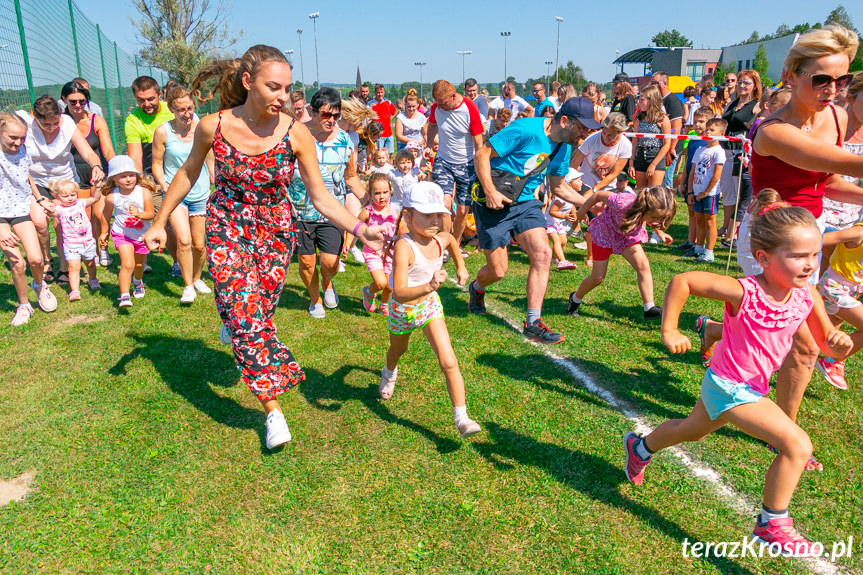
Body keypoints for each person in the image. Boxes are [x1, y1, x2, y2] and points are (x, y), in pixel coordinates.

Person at [143, 45, 385, 450]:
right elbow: (186, 175)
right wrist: (159, 220)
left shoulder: (295, 133)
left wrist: (361, 229)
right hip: (227, 225)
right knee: (250, 323)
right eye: (274, 87)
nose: (283, 96)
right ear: (247, 82)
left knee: (256, 313)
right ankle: (273, 410)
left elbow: (322, 198)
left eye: (287, 88)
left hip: (275, 231)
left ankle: (233, 316)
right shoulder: (212, 126)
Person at [624, 191, 851, 556]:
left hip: (750, 388)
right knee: (797, 445)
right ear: (763, 257)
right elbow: (683, 280)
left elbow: (826, 344)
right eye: (797, 256)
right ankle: (772, 522)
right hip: (730, 386)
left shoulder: (806, 294)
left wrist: (838, 345)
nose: (809, 265)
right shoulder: (744, 291)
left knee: (689, 431)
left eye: (813, 255)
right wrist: (670, 329)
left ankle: (640, 446)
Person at [701, 24, 863, 471]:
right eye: (822, 79)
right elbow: (837, 162)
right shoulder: (771, 130)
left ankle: (718, 329)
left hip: (808, 230)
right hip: (771, 236)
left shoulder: (834, 117)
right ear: (791, 75)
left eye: (843, 79)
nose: (833, 90)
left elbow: (826, 181)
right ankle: (786, 435)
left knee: (782, 331)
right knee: (806, 346)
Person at [469, 97, 600, 343]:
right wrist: (489, 191)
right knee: (498, 271)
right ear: (564, 121)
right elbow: (482, 155)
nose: (585, 134)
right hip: (495, 200)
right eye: (582, 127)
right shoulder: (525, 129)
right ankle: (477, 287)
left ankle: (533, 322)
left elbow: (558, 187)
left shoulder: (564, 147)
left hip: (527, 202)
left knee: (543, 253)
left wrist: (591, 203)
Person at [379, 181, 481, 438]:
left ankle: (462, 417)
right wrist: (429, 285)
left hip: (428, 307)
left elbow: (451, 241)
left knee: (448, 360)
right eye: (427, 215)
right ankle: (389, 372)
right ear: (408, 215)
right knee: (397, 350)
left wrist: (461, 267)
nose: (434, 221)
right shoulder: (405, 247)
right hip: (402, 311)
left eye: (438, 214)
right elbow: (400, 293)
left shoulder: (440, 238)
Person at [288, 88, 368, 318]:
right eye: (326, 115)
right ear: (312, 112)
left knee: (331, 262)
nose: (332, 120)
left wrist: (368, 201)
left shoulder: (344, 141)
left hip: (332, 212)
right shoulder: (296, 136)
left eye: (336, 116)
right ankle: (315, 300)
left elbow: (351, 176)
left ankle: (327, 282)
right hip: (300, 212)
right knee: (305, 262)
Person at [17, 95, 105, 285]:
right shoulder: (26, 125)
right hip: (35, 180)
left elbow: (88, 151)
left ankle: (64, 268)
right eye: (46, 124)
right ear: (35, 118)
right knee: (40, 222)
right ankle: (47, 259)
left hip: (63, 181)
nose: (51, 128)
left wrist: (96, 165)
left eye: (54, 123)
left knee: (60, 223)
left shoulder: (66, 125)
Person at [567, 185, 675, 319]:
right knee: (597, 278)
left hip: (626, 237)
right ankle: (575, 298)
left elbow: (647, 219)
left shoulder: (646, 209)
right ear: (645, 208)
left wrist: (659, 232)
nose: (658, 221)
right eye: (656, 218)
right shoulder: (621, 202)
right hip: (604, 235)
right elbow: (598, 195)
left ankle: (649, 308)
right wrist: (580, 214)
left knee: (643, 265)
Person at [151, 85, 215, 304]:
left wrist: (214, 177)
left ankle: (197, 278)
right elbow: (157, 164)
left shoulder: (202, 128)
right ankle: (187, 286)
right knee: (184, 240)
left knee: (199, 244)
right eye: (181, 110)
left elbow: (210, 158)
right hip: (176, 194)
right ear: (171, 109)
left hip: (200, 193)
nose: (187, 114)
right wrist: (164, 185)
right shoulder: (163, 131)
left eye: (190, 108)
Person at [0, 112, 55, 324]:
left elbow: (26, 175)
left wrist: (39, 198)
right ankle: (24, 305)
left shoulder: (22, 150)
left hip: (20, 208)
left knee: (36, 259)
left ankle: (40, 285)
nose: (18, 142)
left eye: (22, 137)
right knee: (18, 263)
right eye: (13, 137)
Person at [124, 76, 177, 275]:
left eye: (150, 99)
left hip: (177, 170)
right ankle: (177, 261)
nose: (146, 104)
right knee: (166, 219)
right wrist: (142, 185)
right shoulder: (133, 120)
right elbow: (136, 156)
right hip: (152, 175)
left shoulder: (172, 110)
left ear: (159, 95)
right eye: (141, 100)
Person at [61, 81, 114, 267]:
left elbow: (107, 149)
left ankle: (104, 247)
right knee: (84, 216)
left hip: (97, 173)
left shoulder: (96, 120)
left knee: (100, 214)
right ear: (64, 100)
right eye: (73, 101)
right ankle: (90, 250)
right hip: (74, 177)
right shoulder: (61, 122)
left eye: (82, 102)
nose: (77, 106)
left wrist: (115, 169)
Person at [426, 80, 484, 250]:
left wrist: (479, 165)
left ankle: (455, 243)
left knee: (462, 211)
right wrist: (429, 145)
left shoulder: (469, 108)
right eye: (437, 103)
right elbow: (432, 125)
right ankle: (444, 245)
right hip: (444, 160)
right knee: (444, 204)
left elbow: (478, 141)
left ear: (453, 96)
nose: (440, 107)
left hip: (466, 163)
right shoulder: (436, 108)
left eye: (443, 103)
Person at [99, 155, 154, 307]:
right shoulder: (112, 197)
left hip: (142, 235)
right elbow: (105, 215)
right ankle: (124, 296)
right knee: (128, 264)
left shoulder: (144, 192)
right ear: (115, 179)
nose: (128, 179)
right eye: (123, 176)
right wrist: (104, 232)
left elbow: (151, 214)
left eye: (131, 175)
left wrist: (139, 215)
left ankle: (137, 281)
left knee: (138, 266)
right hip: (121, 233)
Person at [816, 222, 863, 389]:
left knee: (818, 342)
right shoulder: (859, 232)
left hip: (848, 293)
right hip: (834, 290)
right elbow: (824, 239)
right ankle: (833, 361)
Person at [718, 69, 760, 245]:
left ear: (755, 86)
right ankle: (726, 225)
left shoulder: (757, 105)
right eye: (740, 82)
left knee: (740, 194)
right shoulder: (732, 103)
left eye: (746, 83)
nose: (742, 86)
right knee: (727, 192)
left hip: (741, 153)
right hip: (725, 151)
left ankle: (735, 230)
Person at [50, 179, 101, 301]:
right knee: (73, 267)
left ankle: (93, 279)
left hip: (87, 241)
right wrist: (48, 209)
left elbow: (94, 199)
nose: (70, 198)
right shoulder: (60, 209)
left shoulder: (80, 203)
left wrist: (98, 189)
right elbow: (53, 213)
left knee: (90, 263)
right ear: (57, 197)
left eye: (73, 194)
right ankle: (75, 291)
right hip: (71, 244)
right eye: (65, 196)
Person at [688, 118, 727, 263]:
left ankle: (709, 252)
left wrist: (706, 191)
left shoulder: (719, 151)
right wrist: (691, 192)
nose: (708, 133)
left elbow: (717, 174)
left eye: (712, 130)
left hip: (710, 193)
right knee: (699, 219)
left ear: (721, 134)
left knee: (710, 221)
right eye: (707, 130)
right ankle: (698, 248)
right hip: (697, 191)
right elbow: (692, 172)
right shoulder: (699, 150)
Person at [360, 172, 398, 315]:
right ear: (370, 193)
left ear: (390, 191)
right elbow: (356, 227)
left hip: (391, 252)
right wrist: (347, 244)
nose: (381, 196)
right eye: (377, 193)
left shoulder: (394, 211)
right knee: (381, 283)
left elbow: (401, 229)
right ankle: (368, 292)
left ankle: (384, 303)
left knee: (390, 285)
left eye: (385, 192)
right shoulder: (367, 212)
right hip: (373, 252)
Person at [629, 86, 672, 188]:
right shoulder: (639, 118)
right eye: (639, 99)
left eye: (642, 100)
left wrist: (653, 164)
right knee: (641, 193)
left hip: (656, 155)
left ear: (651, 100)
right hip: (641, 155)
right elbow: (635, 141)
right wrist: (631, 162)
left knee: (653, 193)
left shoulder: (663, 119)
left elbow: (667, 144)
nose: (639, 103)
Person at [651, 72, 685, 187]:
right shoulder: (658, 100)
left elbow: (676, 127)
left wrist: (671, 148)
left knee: (666, 178)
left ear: (664, 84)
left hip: (671, 146)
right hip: (662, 145)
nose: (652, 85)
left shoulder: (672, 101)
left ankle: (669, 202)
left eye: (655, 83)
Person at [546, 169, 581, 270]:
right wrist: (564, 217)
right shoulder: (561, 199)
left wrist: (575, 215)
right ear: (569, 185)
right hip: (549, 222)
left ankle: (556, 258)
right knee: (556, 240)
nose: (581, 182)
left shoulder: (571, 198)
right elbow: (551, 212)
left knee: (564, 241)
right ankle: (562, 261)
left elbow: (572, 207)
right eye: (578, 180)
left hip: (557, 223)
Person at [368, 84, 398, 152]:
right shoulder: (370, 104)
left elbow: (395, 111)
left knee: (390, 154)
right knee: (378, 153)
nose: (380, 94)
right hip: (378, 134)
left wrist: (391, 117)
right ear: (375, 93)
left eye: (382, 92)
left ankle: (390, 163)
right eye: (378, 92)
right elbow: (367, 119)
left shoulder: (387, 102)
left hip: (389, 133)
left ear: (384, 92)